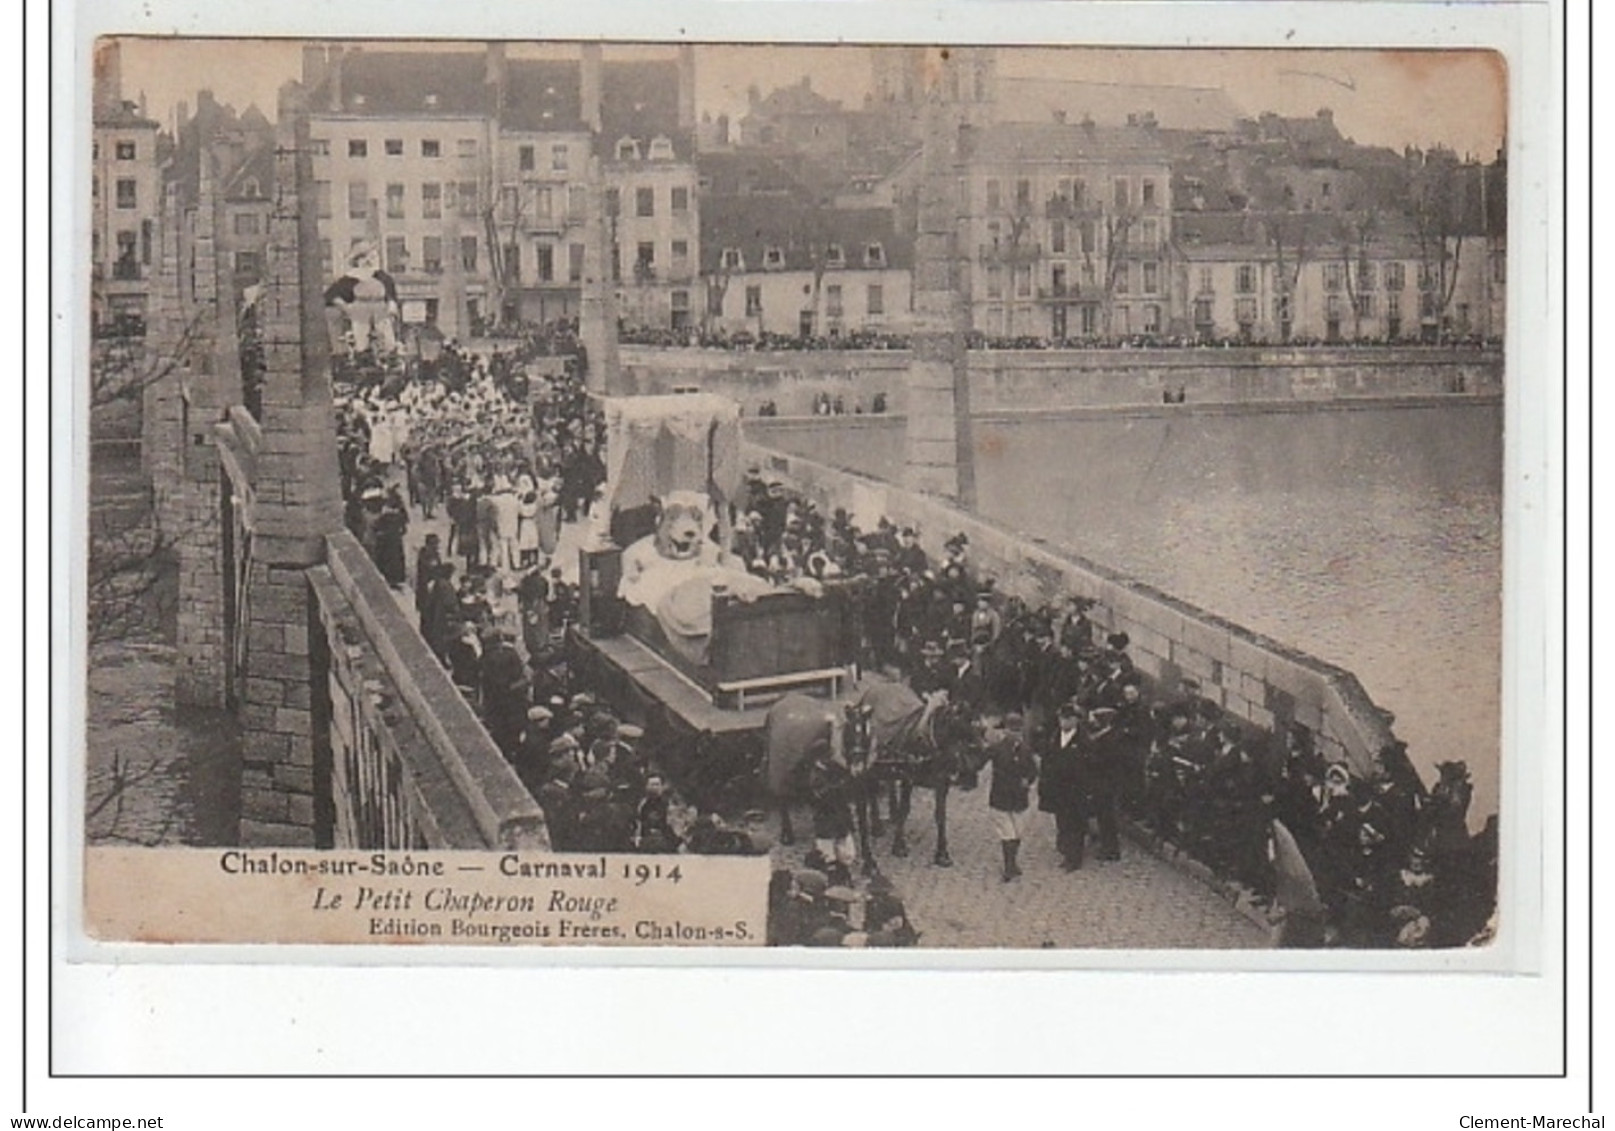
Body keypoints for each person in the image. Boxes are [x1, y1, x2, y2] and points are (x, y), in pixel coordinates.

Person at [987, 713, 1038, 882]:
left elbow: (1033, 771)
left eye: (1017, 730)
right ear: (1006, 730)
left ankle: (1012, 863)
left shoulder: (1025, 750)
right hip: (1001, 797)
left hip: (1018, 798)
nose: (1015, 734)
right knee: (1007, 832)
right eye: (1012, 730)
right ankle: (1009, 866)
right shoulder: (997, 748)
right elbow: (980, 760)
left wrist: (1028, 781)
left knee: (1017, 832)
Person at [1039, 701, 1089, 870]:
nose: (1064, 722)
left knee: (1075, 823)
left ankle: (1074, 858)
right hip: (1058, 788)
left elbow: (1088, 766)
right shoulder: (1054, 737)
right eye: (1062, 718)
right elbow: (1047, 760)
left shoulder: (1083, 740)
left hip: (1075, 789)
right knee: (1062, 821)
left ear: (1076, 720)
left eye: (1068, 719)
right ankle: (1066, 850)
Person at [806, 738, 858, 887]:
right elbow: (821, 796)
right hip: (826, 819)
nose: (829, 758)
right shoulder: (815, 776)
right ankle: (832, 881)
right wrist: (839, 786)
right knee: (827, 853)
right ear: (819, 758)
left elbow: (847, 779)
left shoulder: (833, 767)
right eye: (827, 755)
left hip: (840, 817)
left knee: (846, 852)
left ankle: (844, 877)